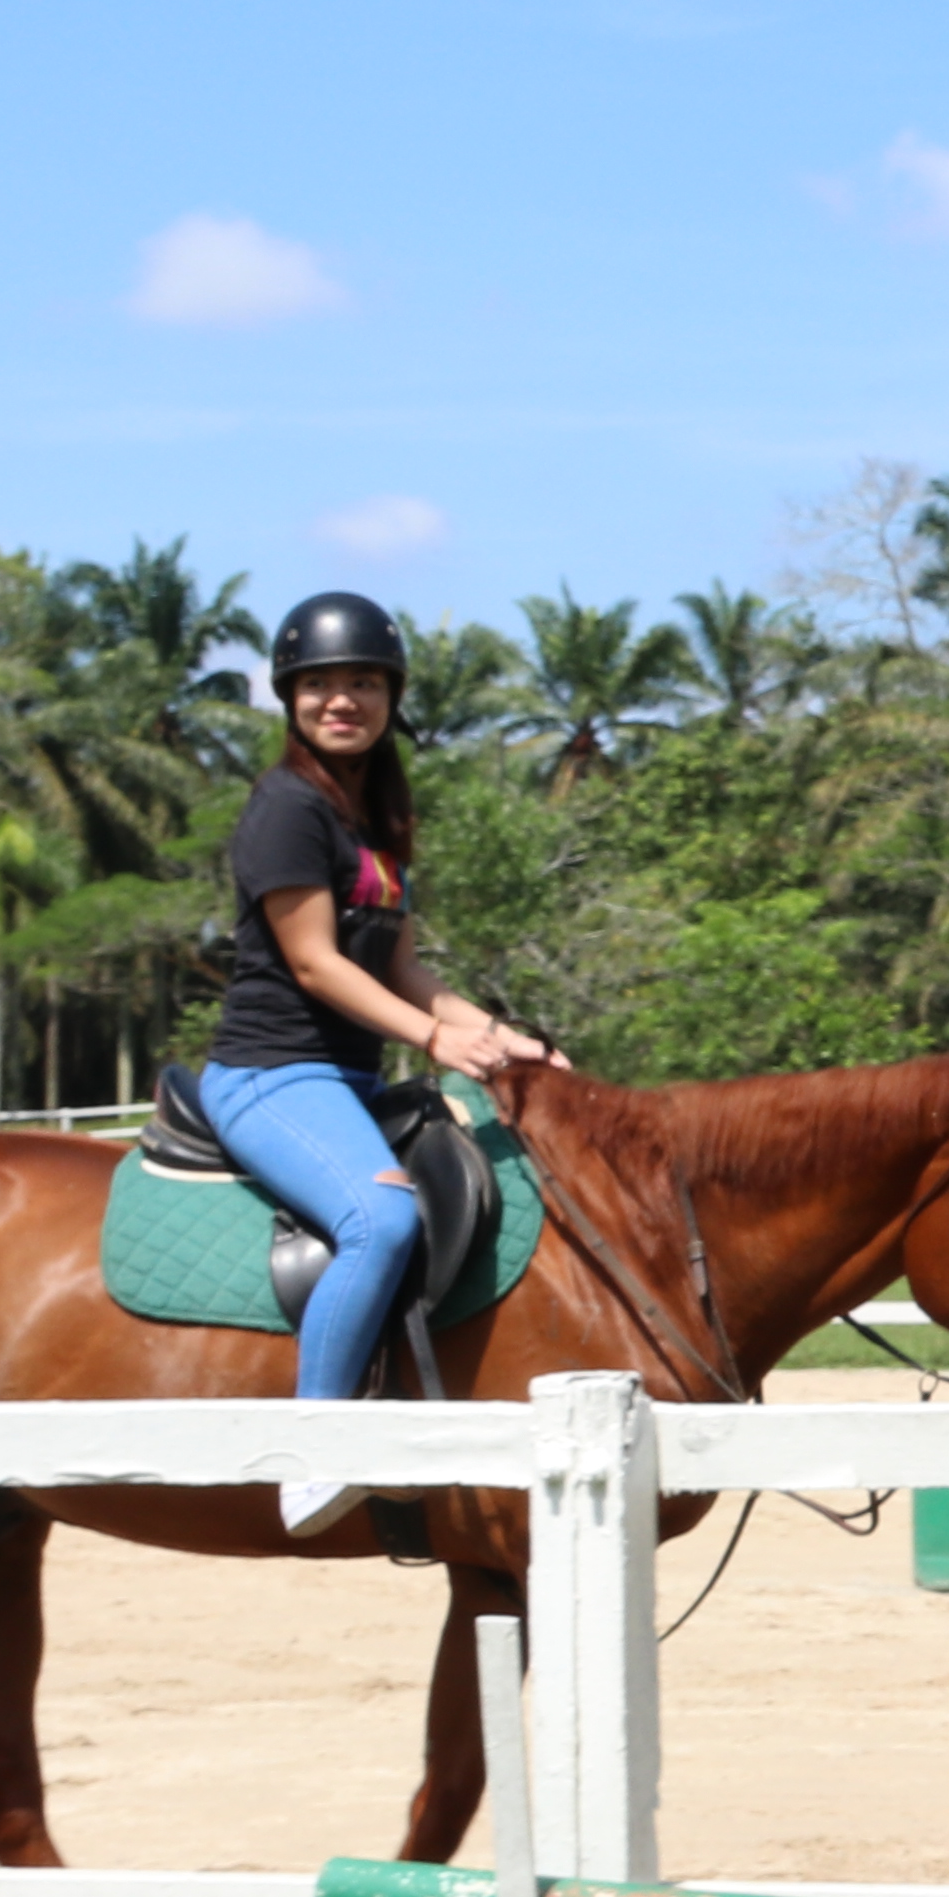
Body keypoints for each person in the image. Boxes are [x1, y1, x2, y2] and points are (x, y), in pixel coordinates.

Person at [204, 590, 554, 1549]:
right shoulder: (284, 809)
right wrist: (436, 1042)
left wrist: (506, 1037)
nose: (342, 700)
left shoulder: (373, 816)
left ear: (390, 696)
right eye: (321, 685)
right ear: (291, 697)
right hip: (274, 1073)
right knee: (382, 1216)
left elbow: (396, 964)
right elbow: (317, 963)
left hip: (349, 1078)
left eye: (362, 682)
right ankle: (319, 1447)